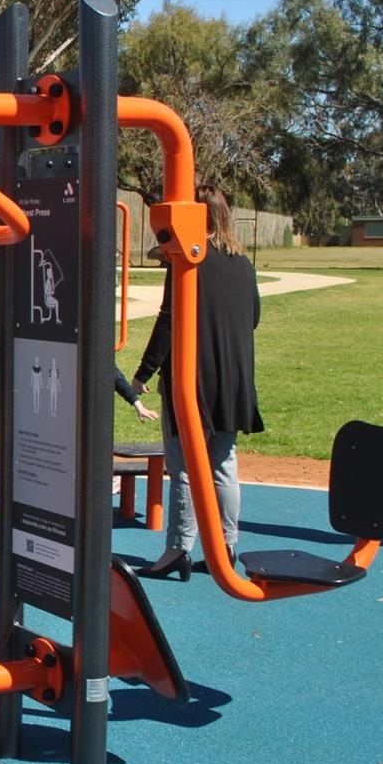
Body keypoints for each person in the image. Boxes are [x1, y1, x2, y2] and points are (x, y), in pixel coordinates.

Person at [131, 184, 263, 581]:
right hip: (234, 378)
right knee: (223, 463)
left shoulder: (188, 261)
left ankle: (177, 548)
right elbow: (252, 315)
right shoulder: (243, 263)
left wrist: (143, 374)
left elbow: (168, 319)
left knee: (185, 466)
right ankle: (225, 545)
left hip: (193, 376)